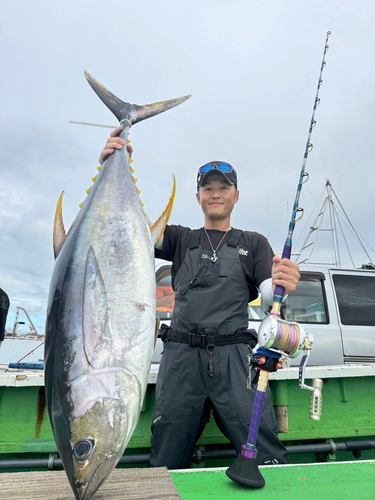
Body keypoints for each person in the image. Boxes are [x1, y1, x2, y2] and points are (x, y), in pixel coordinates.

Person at [99, 129, 300, 469]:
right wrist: (112, 167)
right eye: (208, 188)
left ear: (237, 195)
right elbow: (125, 226)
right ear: (198, 197)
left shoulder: (254, 242)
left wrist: (281, 282)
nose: (216, 194)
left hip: (235, 360)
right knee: (166, 458)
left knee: (264, 453)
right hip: (180, 360)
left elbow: (268, 294)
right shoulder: (179, 238)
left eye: (224, 188)